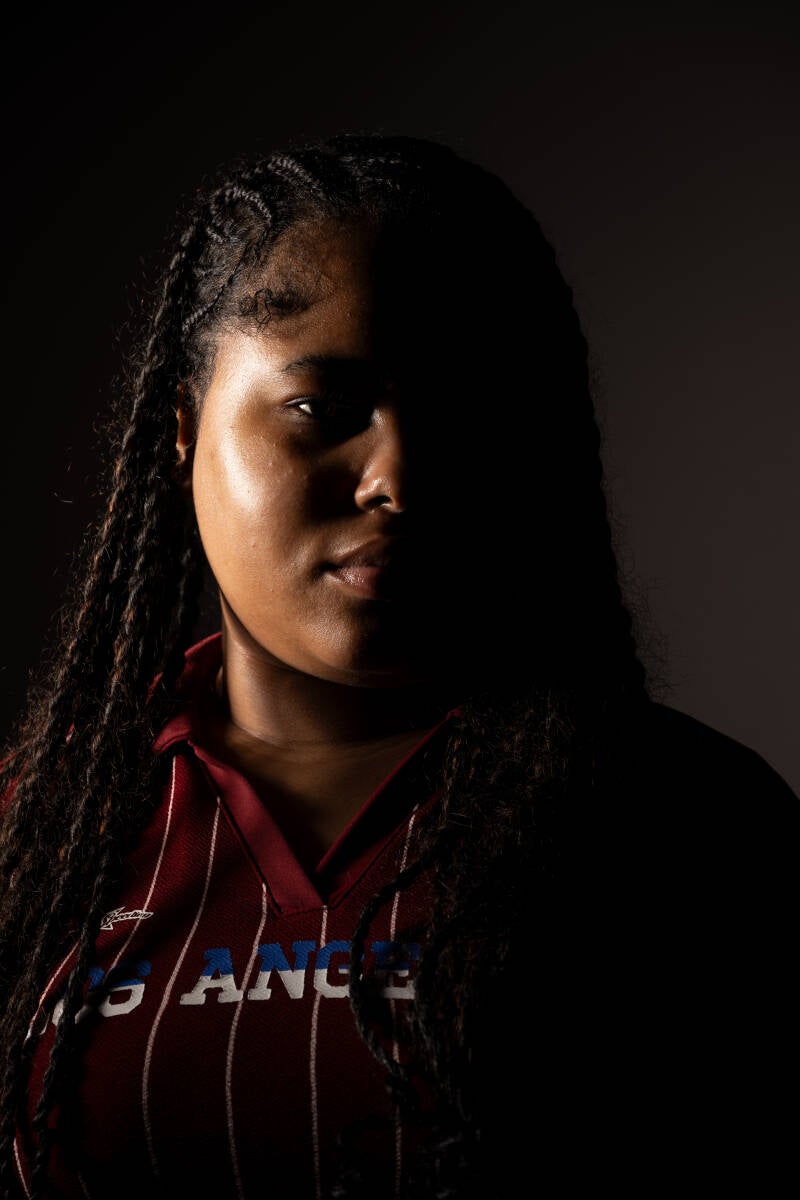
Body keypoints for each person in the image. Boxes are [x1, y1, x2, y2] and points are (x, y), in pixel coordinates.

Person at [0, 132, 795, 1200]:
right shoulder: (34, 836)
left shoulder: (685, 820)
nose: (399, 477)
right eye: (324, 411)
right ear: (182, 431)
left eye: (465, 412)